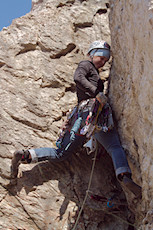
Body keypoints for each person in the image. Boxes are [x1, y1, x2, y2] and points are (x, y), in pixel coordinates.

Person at [10, 40, 141, 198]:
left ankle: (26, 155)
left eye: (107, 58)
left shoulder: (94, 72)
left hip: (84, 118)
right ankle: (124, 176)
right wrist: (97, 92)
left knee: (62, 153)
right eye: (102, 55)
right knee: (113, 147)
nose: (104, 60)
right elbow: (78, 77)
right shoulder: (86, 65)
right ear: (91, 53)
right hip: (92, 113)